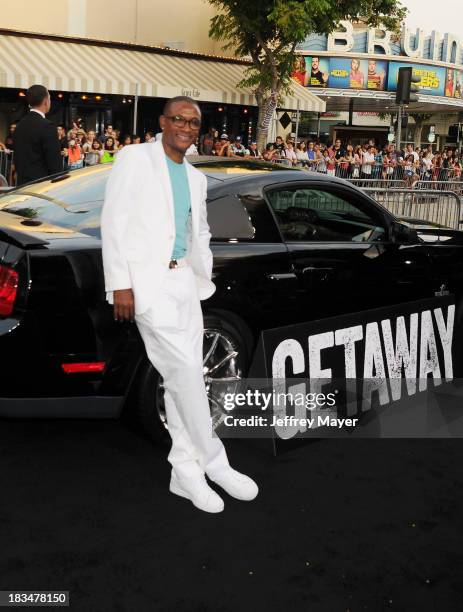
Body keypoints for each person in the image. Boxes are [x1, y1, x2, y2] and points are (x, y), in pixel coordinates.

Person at [101, 96, 258, 513]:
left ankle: (184, 472)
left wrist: (198, 275)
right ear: (163, 121)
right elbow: (113, 220)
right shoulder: (134, 158)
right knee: (187, 373)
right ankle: (215, 461)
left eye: (194, 122)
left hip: (183, 281)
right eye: (179, 119)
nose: (187, 127)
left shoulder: (195, 176)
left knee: (183, 379)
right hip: (147, 285)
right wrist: (120, 285)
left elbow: (198, 230)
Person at [13, 84, 62, 185]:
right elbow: (54, 164)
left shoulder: (19, 126)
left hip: (22, 185)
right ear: (45, 101)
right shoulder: (47, 126)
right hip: (42, 186)